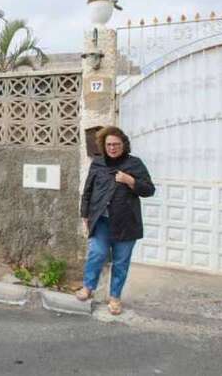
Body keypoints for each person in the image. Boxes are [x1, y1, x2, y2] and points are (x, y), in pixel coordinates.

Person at [76, 126, 155, 315]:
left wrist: (130, 181)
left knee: (121, 262)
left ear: (124, 145)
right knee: (97, 253)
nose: (112, 148)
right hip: (101, 221)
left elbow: (149, 190)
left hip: (126, 223)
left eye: (116, 144)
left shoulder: (134, 164)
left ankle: (115, 298)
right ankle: (88, 287)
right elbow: (88, 191)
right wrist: (85, 215)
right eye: (109, 144)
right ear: (104, 146)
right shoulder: (98, 163)